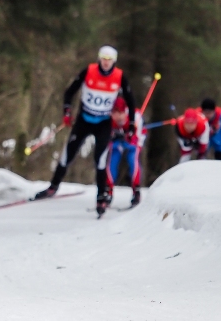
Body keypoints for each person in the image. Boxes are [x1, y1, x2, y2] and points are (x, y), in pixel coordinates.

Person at [33, 45, 136, 217]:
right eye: (103, 58)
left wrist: (131, 123)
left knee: (100, 160)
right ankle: (53, 187)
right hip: (84, 120)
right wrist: (67, 111)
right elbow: (69, 92)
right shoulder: (88, 71)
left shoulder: (119, 76)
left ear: (114, 62)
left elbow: (130, 101)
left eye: (109, 60)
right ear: (99, 58)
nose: (106, 63)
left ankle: (101, 197)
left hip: (103, 123)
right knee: (68, 153)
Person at [105, 97, 144, 208]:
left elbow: (139, 138)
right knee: (112, 162)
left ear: (125, 111)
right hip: (116, 144)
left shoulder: (135, 116)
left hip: (133, 143)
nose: (118, 116)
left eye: (120, 113)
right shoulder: (108, 118)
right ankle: (108, 191)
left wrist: (128, 138)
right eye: (114, 113)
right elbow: (105, 138)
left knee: (133, 161)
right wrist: (114, 138)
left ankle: (136, 191)